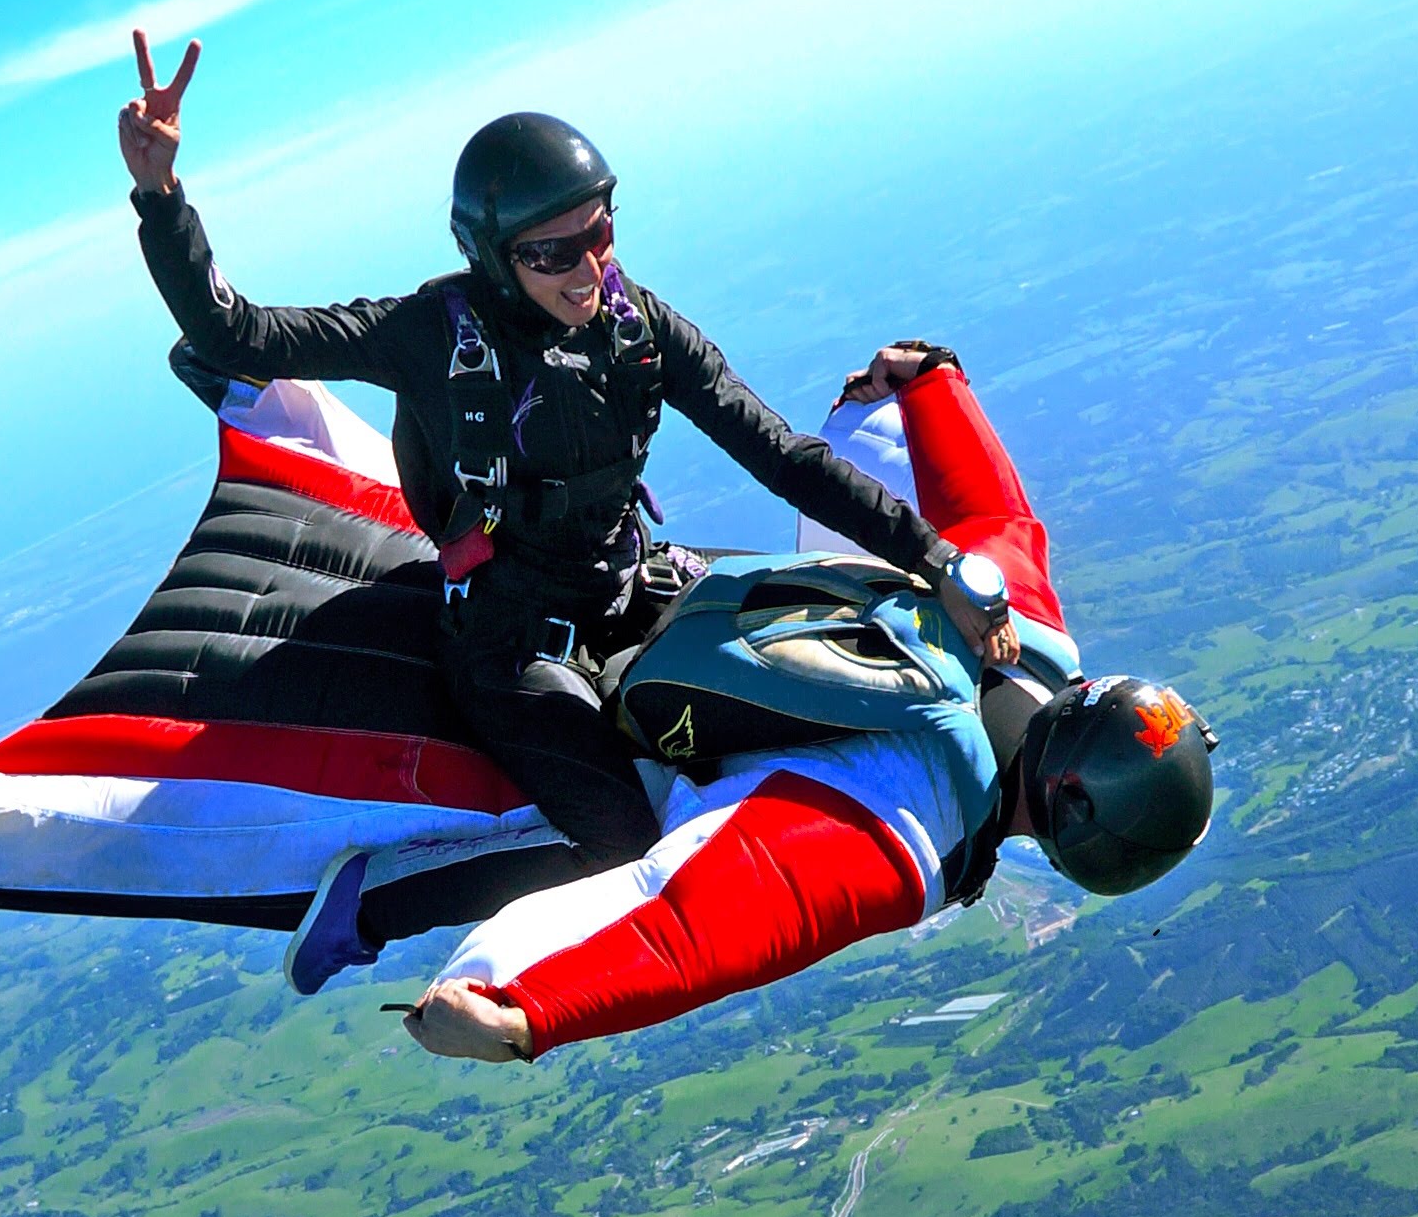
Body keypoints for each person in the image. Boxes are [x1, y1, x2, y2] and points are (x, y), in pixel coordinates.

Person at [117, 35, 1010, 986]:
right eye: (552, 251)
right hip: (505, 638)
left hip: (631, 583)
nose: (588, 268)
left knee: (829, 652)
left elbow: (781, 455)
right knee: (624, 846)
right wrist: (161, 196)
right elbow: (238, 333)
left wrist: (938, 561)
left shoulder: (638, 329)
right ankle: (377, 897)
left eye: (600, 232)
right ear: (493, 256)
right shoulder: (430, 335)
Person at [393, 344, 1216, 1063]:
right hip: (585, 695)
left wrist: (931, 381)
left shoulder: (1023, 628)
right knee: (593, 838)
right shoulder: (912, 826)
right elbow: (703, 931)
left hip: (673, 584)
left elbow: (992, 512)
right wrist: (526, 1015)